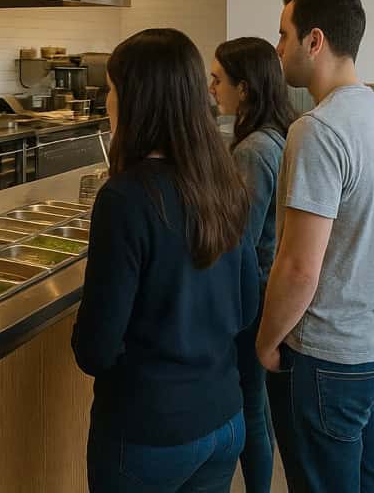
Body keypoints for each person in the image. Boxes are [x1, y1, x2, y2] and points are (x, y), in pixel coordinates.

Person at [73, 28, 259, 493]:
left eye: (112, 90)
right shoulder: (224, 181)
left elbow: (95, 349)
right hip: (223, 419)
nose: (107, 102)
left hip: (148, 431)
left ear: (139, 100)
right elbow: (247, 305)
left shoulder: (124, 198)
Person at [257, 0, 374, 493]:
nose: (277, 48)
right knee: (372, 479)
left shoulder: (318, 129)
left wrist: (267, 340)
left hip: (330, 357)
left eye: (284, 35)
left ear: (314, 40)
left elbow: (300, 266)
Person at [209, 37, 296, 493]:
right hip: (267, 286)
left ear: (244, 89)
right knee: (257, 406)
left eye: (218, 79)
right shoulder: (280, 135)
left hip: (254, 292)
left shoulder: (253, 151)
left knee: (248, 407)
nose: (211, 88)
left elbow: (237, 238)